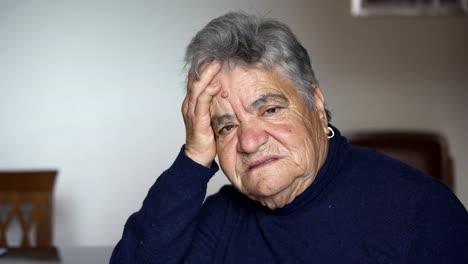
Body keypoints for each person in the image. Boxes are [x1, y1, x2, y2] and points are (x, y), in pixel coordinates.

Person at [110, 12, 468, 263]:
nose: (249, 141)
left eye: (269, 110)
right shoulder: (222, 220)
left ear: (315, 101)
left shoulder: (420, 211)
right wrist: (192, 159)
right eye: (226, 127)